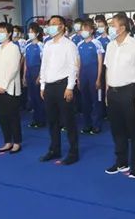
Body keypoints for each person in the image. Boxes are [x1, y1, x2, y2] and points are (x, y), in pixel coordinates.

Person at [104, 12, 135, 179]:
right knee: (117, 129)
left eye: (113, 25)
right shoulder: (110, 45)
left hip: (129, 91)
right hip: (113, 92)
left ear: (122, 28)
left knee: (133, 129)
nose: (110, 28)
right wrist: (108, 91)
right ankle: (121, 161)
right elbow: (108, 69)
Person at [39, 15, 79, 165]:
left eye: (55, 24)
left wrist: (70, 87)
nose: (51, 26)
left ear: (62, 26)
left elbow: (73, 68)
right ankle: (54, 149)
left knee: (68, 121)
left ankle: (73, 152)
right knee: (52, 121)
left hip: (63, 86)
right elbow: (44, 66)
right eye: (50, 24)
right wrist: (43, 85)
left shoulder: (69, 45)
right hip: (49, 86)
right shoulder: (47, 44)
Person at [0, 22, 23, 154]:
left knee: (13, 116)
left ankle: (17, 142)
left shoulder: (14, 48)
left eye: (2, 31)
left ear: (9, 33)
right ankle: (7, 141)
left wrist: (3, 85)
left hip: (10, 88)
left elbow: (13, 69)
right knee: (2, 116)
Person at [77, 19, 105, 135]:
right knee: (85, 101)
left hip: (94, 75)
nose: (83, 32)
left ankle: (96, 125)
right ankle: (87, 124)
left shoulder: (96, 43)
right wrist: (78, 78)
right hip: (83, 75)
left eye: (86, 30)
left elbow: (100, 62)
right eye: (82, 30)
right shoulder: (79, 44)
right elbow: (78, 63)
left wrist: (99, 78)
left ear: (92, 31)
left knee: (96, 101)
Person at [24, 23, 46, 128]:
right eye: (29, 32)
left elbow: (44, 62)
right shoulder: (27, 46)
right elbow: (25, 62)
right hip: (29, 73)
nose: (30, 34)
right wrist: (24, 75)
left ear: (37, 33)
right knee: (32, 97)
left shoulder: (41, 45)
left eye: (32, 32)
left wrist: (40, 76)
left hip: (37, 72)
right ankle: (35, 119)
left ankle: (41, 119)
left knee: (38, 98)